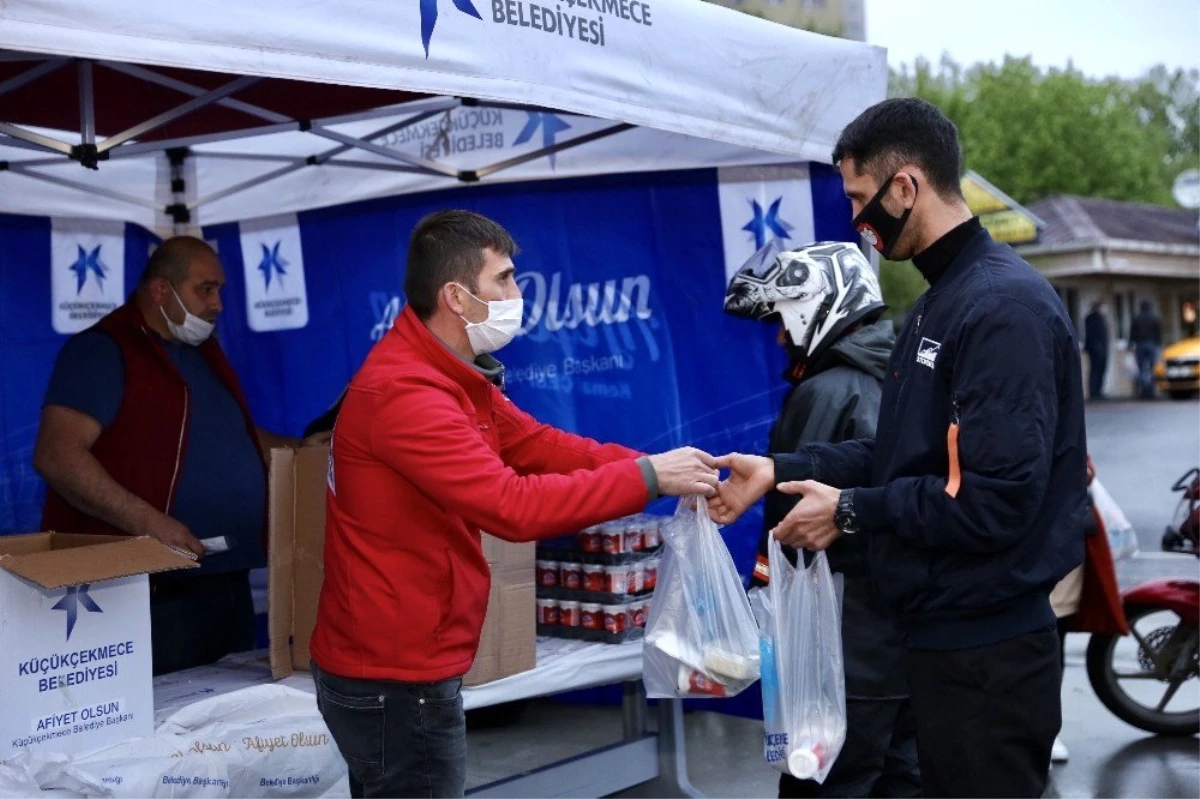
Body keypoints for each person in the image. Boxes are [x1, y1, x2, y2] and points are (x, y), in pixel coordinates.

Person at [709, 98, 1088, 799]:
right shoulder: (938, 304)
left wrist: (850, 511)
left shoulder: (1002, 307)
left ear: (905, 186)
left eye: (862, 199)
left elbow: (993, 501)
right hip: (941, 647)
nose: (860, 222)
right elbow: (897, 455)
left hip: (989, 657)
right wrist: (780, 471)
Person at [308, 210, 719, 799]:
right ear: (456, 296)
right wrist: (650, 476)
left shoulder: (446, 374)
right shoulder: (406, 392)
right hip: (392, 676)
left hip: (403, 661)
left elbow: (541, 445)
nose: (517, 294)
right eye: (503, 279)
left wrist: (670, 471)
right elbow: (512, 506)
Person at [33, 236, 325, 675]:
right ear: (160, 291)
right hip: (153, 590)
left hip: (227, 580)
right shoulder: (104, 350)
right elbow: (57, 455)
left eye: (220, 290)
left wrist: (301, 450)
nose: (218, 303)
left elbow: (233, 436)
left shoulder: (202, 353)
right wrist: (150, 524)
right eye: (205, 289)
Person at [724, 240, 920, 798]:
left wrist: (760, 595)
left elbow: (789, 523)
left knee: (822, 784)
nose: (781, 337)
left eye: (783, 320)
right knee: (903, 781)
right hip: (898, 642)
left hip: (840, 646)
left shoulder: (828, 390)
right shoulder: (901, 376)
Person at [1130, 300, 1163, 399]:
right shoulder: (1154, 318)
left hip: (1140, 345)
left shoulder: (1137, 318)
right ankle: (1151, 391)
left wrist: (1130, 344)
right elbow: (1158, 333)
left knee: (1141, 369)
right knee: (1152, 369)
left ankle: (1143, 391)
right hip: (1152, 345)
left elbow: (1132, 333)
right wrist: (1160, 344)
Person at [1084, 301, 1109, 401]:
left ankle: (1098, 391)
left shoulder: (1101, 318)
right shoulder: (1091, 319)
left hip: (1102, 348)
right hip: (1095, 349)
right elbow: (1091, 335)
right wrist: (1096, 348)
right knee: (1095, 370)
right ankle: (1093, 392)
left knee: (1101, 370)